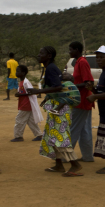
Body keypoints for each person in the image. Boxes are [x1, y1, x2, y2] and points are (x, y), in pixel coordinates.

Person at [27, 46, 84, 177]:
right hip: (56, 106)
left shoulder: (51, 68)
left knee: (60, 136)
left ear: (49, 56)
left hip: (61, 108)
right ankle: (59, 164)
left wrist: (39, 92)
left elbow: (58, 86)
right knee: (52, 136)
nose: (38, 55)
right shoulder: (50, 68)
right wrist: (47, 96)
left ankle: (75, 165)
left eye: (41, 53)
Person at [68, 41, 95, 161]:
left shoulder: (82, 62)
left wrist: (72, 86)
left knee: (73, 128)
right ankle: (88, 156)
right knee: (84, 129)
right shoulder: (78, 62)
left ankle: (65, 156)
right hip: (81, 100)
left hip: (82, 100)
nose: (69, 52)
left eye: (71, 50)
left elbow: (88, 82)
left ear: (77, 50)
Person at [11, 65, 43, 142]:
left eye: (18, 71)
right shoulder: (22, 82)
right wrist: (19, 93)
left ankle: (18, 136)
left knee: (19, 120)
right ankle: (39, 135)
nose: (16, 73)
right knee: (31, 121)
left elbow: (30, 92)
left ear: (23, 73)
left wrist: (20, 94)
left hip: (26, 105)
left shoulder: (25, 82)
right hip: (26, 104)